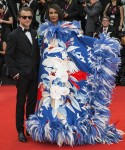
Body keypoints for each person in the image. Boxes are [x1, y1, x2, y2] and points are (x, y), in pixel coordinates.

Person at [26, 4, 124, 146]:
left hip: (62, 71)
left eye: (55, 12)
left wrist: (100, 45)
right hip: (47, 73)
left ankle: (66, 127)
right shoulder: (43, 31)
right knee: (50, 98)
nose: (53, 15)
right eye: (50, 13)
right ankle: (51, 128)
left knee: (63, 98)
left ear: (60, 14)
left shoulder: (67, 29)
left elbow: (79, 41)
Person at [5, 7, 40, 142]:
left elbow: (36, 54)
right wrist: (15, 73)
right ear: (19, 18)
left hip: (34, 74)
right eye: (24, 17)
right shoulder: (13, 35)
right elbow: (9, 56)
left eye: (30, 17)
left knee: (32, 103)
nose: (27, 20)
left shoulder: (35, 33)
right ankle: (20, 130)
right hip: (22, 75)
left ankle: (30, 128)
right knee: (20, 103)